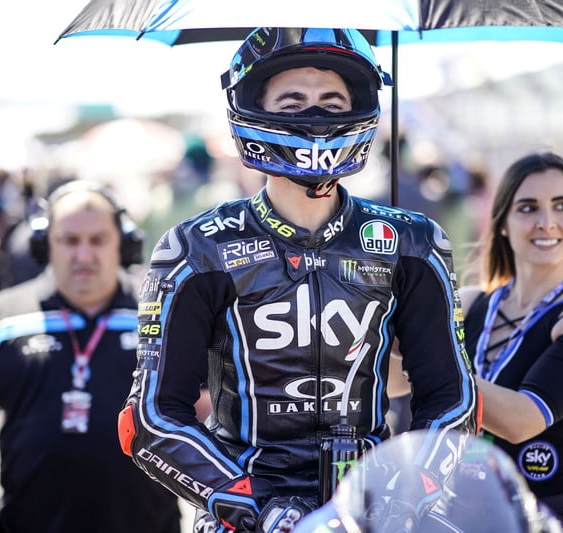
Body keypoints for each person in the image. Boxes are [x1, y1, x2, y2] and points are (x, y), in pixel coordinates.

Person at [117, 27, 478, 533]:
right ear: (251, 106)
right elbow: (150, 420)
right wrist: (256, 507)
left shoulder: (413, 241)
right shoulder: (197, 248)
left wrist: (407, 493)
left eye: (332, 102)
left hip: (373, 516)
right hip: (245, 519)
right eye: (293, 102)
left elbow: (453, 398)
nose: (314, 116)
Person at [0, 180, 181, 533]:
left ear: (124, 244)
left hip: (150, 524)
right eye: (69, 240)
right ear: (43, 243)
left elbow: (207, 404)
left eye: (98, 240)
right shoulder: (0, 318)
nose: (84, 255)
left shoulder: (161, 313)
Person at [458, 152, 563, 532]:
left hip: (548, 516)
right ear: (502, 223)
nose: (546, 222)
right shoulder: (467, 302)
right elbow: (394, 382)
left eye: (562, 206)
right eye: (528, 208)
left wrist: (430, 355)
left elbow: (521, 421)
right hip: (461, 511)